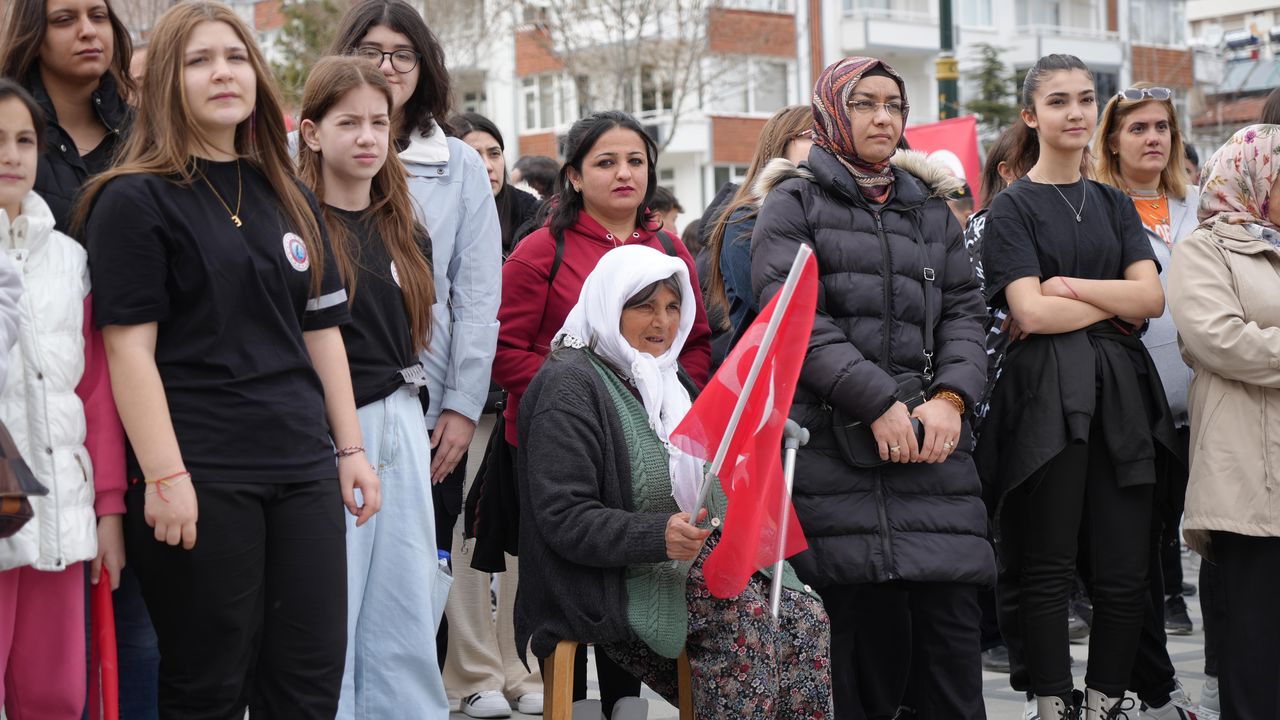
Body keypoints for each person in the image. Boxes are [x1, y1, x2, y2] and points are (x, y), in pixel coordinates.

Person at [79, 3, 381, 716]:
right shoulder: (131, 199)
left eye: (236, 57)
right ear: (164, 86)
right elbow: (129, 351)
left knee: (307, 684)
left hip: (302, 469)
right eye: (198, 60)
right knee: (208, 686)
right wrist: (163, 475)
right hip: (203, 472)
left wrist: (351, 451)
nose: (223, 73)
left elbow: (322, 332)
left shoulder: (288, 193)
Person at [751, 56, 993, 720]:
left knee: (948, 655)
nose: (883, 117)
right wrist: (879, 402)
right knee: (854, 659)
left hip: (936, 458)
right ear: (832, 111)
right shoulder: (793, 201)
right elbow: (794, 320)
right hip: (834, 459)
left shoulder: (931, 208)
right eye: (864, 103)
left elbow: (966, 314)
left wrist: (951, 399)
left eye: (893, 104)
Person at [516, 243, 832, 718]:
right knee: (743, 621)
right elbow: (564, 518)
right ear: (609, 305)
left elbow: (713, 460)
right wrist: (657, 535)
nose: (662, 322)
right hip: (597, 582)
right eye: (643, 306)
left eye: (671, 307)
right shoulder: (568, 385)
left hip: (675, 563)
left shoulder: (668, 379)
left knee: (804, 617)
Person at [976, 54, 1177, 719]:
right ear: (1031, 116)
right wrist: (1113, 301)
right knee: (1048, 563)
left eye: (1086, 100)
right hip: (1044, 397)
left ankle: (1106, 699)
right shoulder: (1013, 209)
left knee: (1125, 568)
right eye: (1058, 101)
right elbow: (1028, 313)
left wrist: (1073, 289)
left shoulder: (1116, 202)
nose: (1076, 113)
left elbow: (1152, 298)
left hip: (1122, 394)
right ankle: (1052, 704)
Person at [495, 109, 712, 717]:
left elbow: (692, 343)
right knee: (579, 568)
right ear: (573, 175)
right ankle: (576, 702)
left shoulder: (668, 246)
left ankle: (625, 705)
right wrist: (581, 398)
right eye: (606, 162)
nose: (624, 174)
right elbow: (507, 347)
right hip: (557, 440)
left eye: (635, 161)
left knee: (637, 562)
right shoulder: (544, 248)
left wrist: (659, 396)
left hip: (652, 440)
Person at [327, 2, 505, 713]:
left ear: (424, 67)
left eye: (403, 54)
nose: (386, 66)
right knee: (335, 575)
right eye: (371, 51)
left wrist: (462, 407)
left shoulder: (458, 162)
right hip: (339, 400)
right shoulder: (304, 154)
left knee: (414, 575)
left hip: (429, 407)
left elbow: (477, 293)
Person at [296, 56, 445, 718]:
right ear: (310, 131)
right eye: (347, 122)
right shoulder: (294, 226)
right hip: (330, 431)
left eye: (378, 123)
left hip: (401, 419)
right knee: (333, 602)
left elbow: (416, 335)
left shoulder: (403, 228)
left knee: (405, 599)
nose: (365, 137)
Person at [0, 77, 114, 720]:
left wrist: (107, 510)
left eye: (24, 140)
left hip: (59, 513)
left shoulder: (69, 259)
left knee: (57, 698)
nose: (11, 155)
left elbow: (94, 393)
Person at [1093, 82, 1201, 720]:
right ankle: (1152, 686)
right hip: (1134, 405)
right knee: (1138, 557)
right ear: (1112, 140)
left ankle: (1209, 677)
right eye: (1137, 128)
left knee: (1207, 547)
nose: (1153, 138)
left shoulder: (1203, 205)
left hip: (1209, 404)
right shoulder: (1100, 209)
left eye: (1162, 127)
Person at [1168, 122, 1280, 720]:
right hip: (1248, 479)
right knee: (1256, 656)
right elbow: (1218, 339)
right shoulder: (1206, 248)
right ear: (1256, 176)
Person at [441, 108, 546, 717]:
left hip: (521, 406)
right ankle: (472, 672)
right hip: (464, 407)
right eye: (472, 152)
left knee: (515, 542)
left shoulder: (533, 222)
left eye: (494, 151)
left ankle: (519, 666)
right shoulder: (439, 214)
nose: (486, 164)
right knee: (463, 542)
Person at [0, 0, 134, 233]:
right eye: (64, 20)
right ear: (34, 33)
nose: (88, 31)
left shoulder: (152, 134)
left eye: (98, 16)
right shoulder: (8, 141)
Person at [703, 105, 811, 346]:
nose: (824, 147)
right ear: (781, 144)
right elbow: (769, 301)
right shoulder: (744, 219)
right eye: (813, 136)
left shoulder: (826, 209)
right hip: (767, 365)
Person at [454, 111, 539, 255]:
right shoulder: (435, 221)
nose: (487, 166)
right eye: (474, 156)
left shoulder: (533, 215)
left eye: (494, 154)